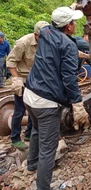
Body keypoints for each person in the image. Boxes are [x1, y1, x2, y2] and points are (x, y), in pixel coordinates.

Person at [23, 6, 90, 190]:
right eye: (74, 21)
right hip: (46, 103)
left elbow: (52, 22)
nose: (76, 24)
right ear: (68, 27)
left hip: (30, 94)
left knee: (35, 130)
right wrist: (77, 105)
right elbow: (69, 80)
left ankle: (31, 164)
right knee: (48, 149)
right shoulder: (69, 46)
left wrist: (70, 8)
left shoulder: (44, 32)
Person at [6, 21, 50, 151]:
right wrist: (16, 79)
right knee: (20, 110)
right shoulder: (23, 43)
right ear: (36, 35)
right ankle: (15, 138)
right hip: (23, 79)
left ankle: (29, 134)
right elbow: (10, 62)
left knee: (34, 108)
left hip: (36, 80)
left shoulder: (47, 41)